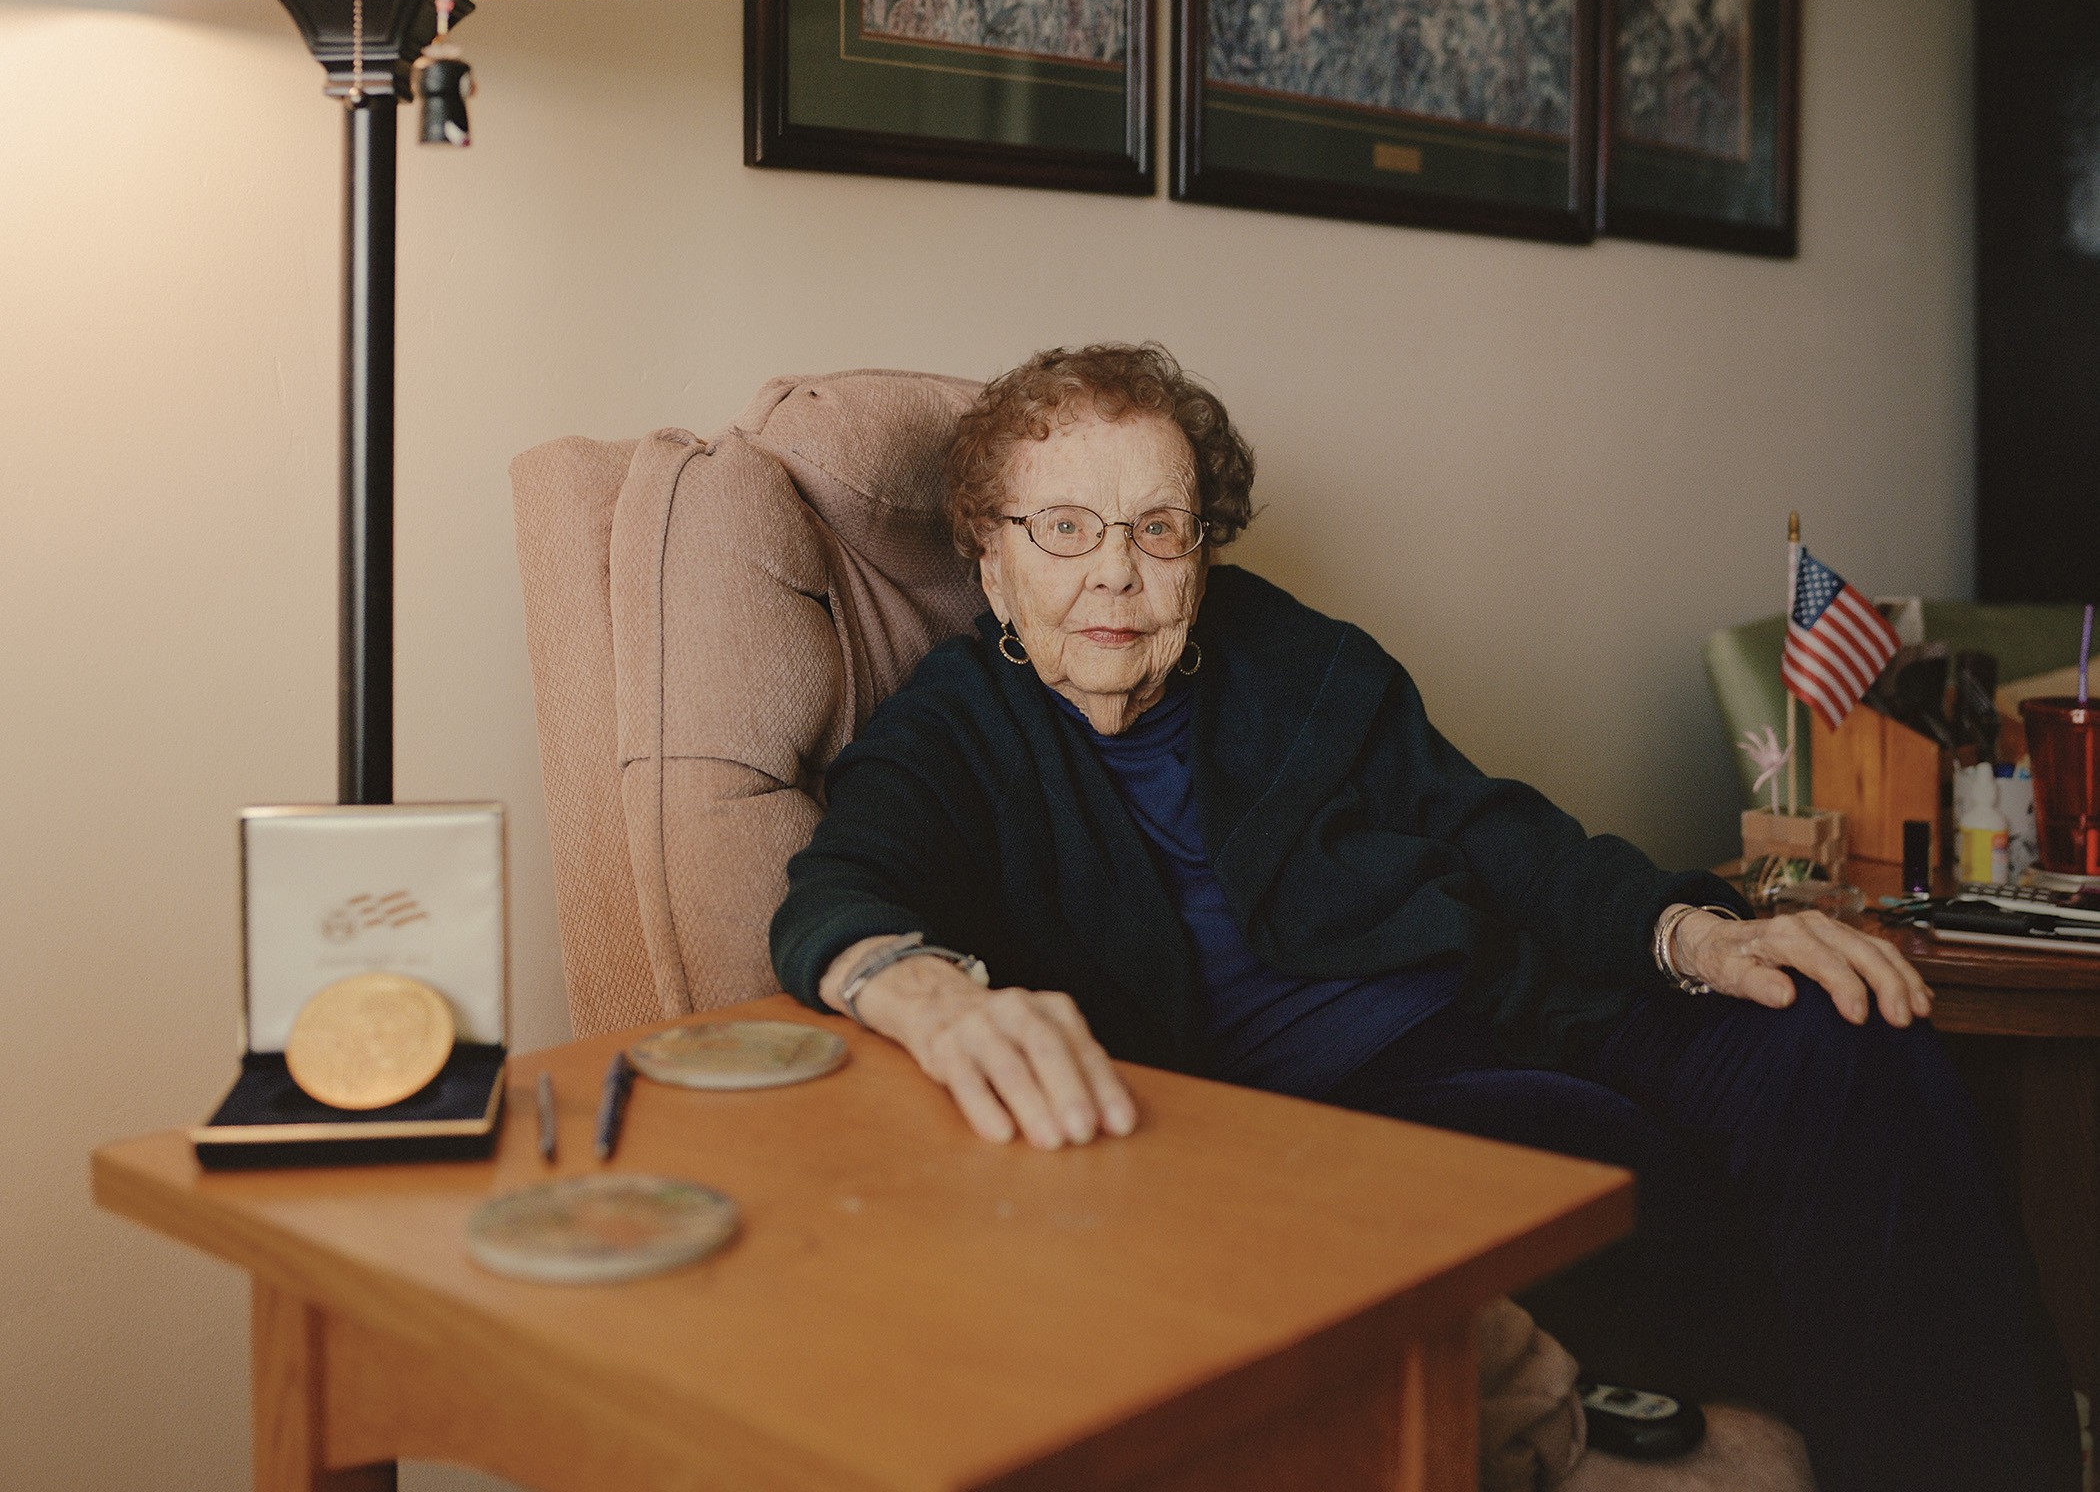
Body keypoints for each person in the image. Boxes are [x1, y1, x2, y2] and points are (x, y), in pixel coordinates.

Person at [769, 342, 2078, 1492]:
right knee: (1601, 1155)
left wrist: (1701, 937)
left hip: (1521, 996)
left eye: (1159, 528)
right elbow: (841, 889)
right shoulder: (956, 731)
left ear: (1200, 551)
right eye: (1064, 529)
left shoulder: (1289, 656)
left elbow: (1495, 832)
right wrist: (929, 996)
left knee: (1844, 1030)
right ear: (990, 561)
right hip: (1329, 1114)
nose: (1116, 572)